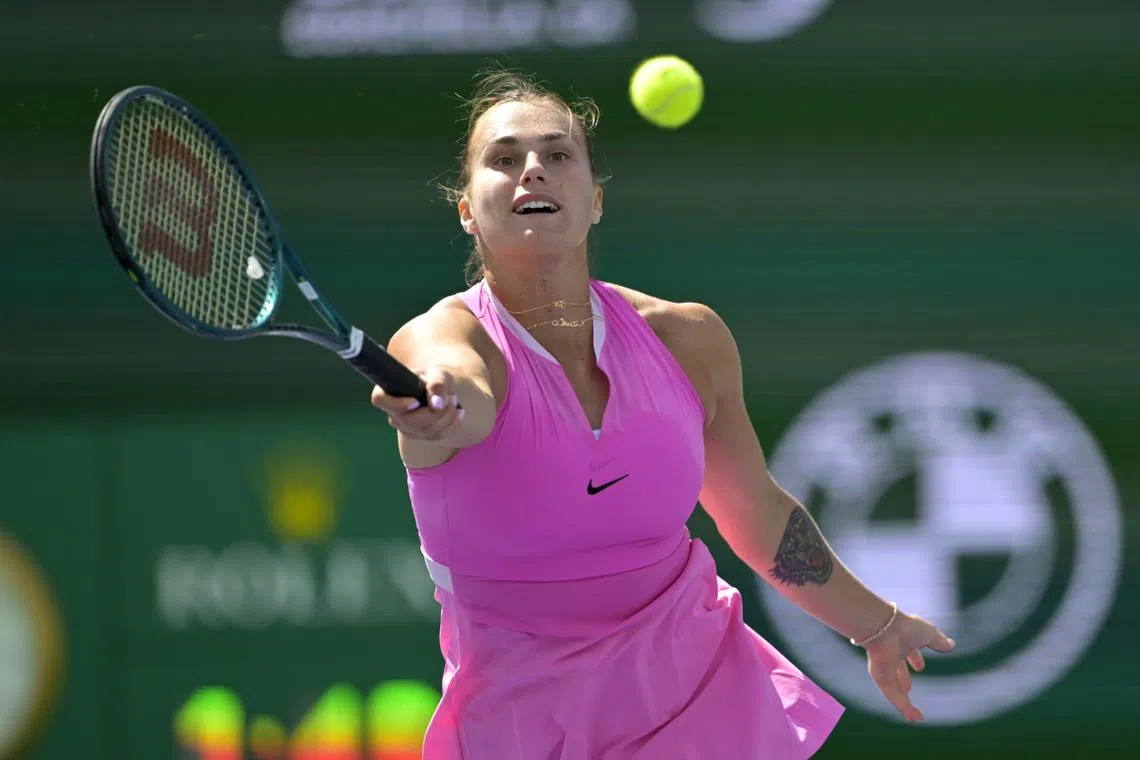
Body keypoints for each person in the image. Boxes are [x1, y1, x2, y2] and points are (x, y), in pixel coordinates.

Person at [369, 68, 955, 759]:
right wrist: (439, 402)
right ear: (467, 207)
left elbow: (755, 514)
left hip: (697, 697)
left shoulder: (688, 339)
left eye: (558, 155)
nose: (533, 171)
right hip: (525, 721)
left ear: (594, 200)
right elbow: (457, 388)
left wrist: (877, 626)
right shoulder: (446, 339)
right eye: (504, 159)